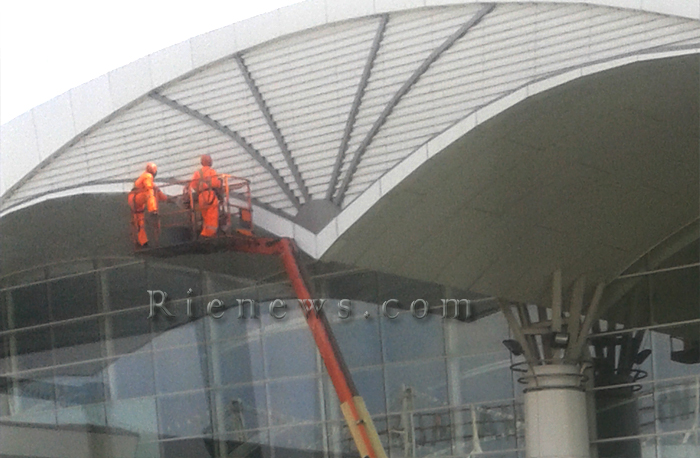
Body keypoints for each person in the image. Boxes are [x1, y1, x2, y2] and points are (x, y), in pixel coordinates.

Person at [128, 162, 168, 247]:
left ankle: (143, 242)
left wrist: (167, 199)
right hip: (136, 198)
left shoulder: (145, 177)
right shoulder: (148, 176)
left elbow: (158, 192)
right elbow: (149, 187)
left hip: (134, 200)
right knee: (149, 193)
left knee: (140, 222)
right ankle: (152, 210)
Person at [188, 154, 222, 237]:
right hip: (210, 196)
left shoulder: (197, 173)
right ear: (210, 161)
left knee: (205, 216)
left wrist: (200, 189)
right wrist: (220, 183)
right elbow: (215, 184)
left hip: (201, 197)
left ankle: (205, 232)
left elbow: (193, 184)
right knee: (212, 217)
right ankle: (208, 234)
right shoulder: (212, 172)